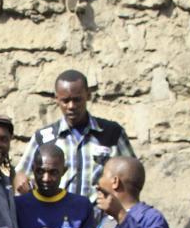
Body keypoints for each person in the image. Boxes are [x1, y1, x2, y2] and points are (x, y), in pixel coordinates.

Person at [15, 69, 134, 199]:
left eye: (77, 100)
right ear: (57, 99)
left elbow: (133, 176)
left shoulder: (112, 134)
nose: (71, 106)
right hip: (58, 216)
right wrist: (20, 179)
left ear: (88, 95)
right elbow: (20, 175)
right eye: (65, 101)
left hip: (100, 217)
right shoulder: (44, 138)